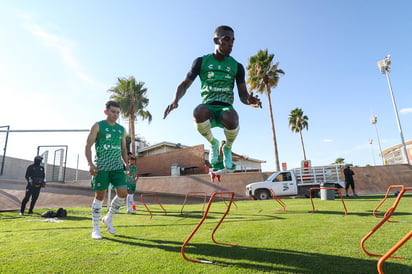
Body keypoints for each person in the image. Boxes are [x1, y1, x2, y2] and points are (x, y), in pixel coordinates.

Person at [163, 25, 261, 172]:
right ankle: (214, 144)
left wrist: (250, 100)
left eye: (233, 41)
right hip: (208, 107)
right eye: (226, 39)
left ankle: (227, 148)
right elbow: (184, 84)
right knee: (198, 112)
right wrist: (175, 100)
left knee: (232, 117)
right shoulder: (201, 62)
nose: (230, 44)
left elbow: (243, 95)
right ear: (216, 40)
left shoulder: (237, 66)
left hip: (225, 108)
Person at [85, 100, 129, 240]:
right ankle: (95, 228)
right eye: (113, 111)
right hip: (101, 167)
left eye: (117, 112)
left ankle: (108, 218)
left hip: (116, 167)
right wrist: (90, 164)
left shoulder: (121, 129)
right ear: (106, 112)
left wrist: (126, 164)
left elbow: (123, 148)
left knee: (123, 193)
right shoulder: (98, 126)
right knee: (100, 196)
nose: (115, 114)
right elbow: (88, 146)